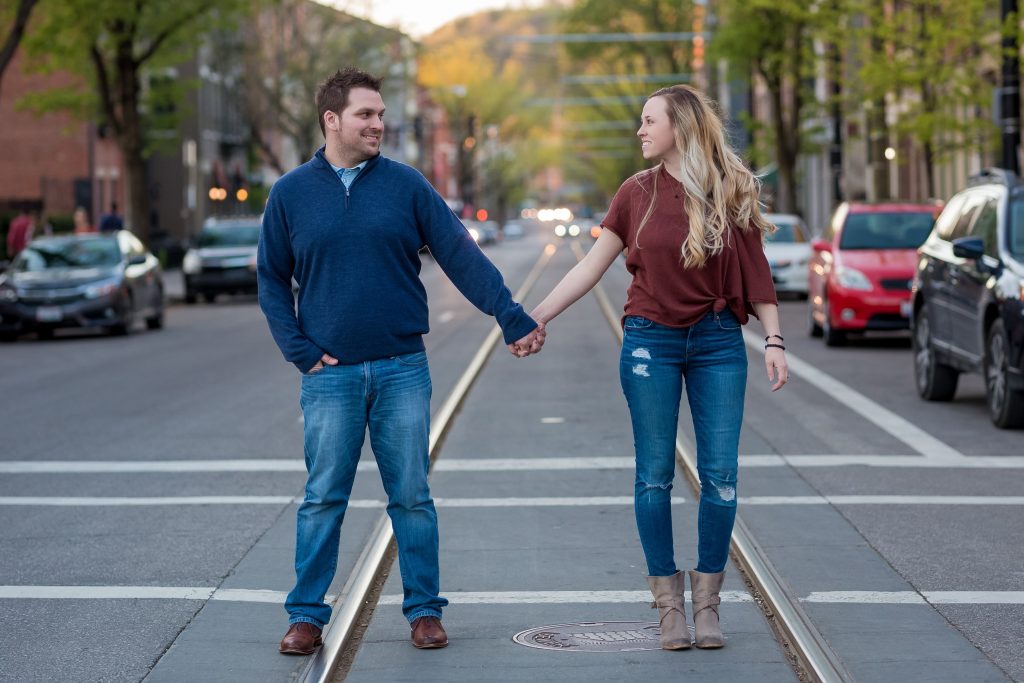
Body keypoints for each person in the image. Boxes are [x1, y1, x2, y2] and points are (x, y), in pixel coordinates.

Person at [257, 67, 544, 656]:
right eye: (366, 114)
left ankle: (424, 612)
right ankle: (306, 616)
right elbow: (270, 279)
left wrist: (510, 315)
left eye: (381, 114)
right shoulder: (290, 193)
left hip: (401, 368)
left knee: (411, 496)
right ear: (331, 119)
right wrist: (302, 354)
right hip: (329, 377)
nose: (379, 124)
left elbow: (461, 256)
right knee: (322, 498)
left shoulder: (407, 185)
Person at [520, 84, 788, 651]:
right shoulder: (634, 193)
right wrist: (533, 318)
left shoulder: (729, 189)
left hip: (717, 342)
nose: (640, 131)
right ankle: (669, 609)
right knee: (654, 475)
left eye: (649, 121)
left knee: (720, 476)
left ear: (681, 128)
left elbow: (756, 271)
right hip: (649, 342)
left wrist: (774, 340)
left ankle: (708, 605)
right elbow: (591, 267)